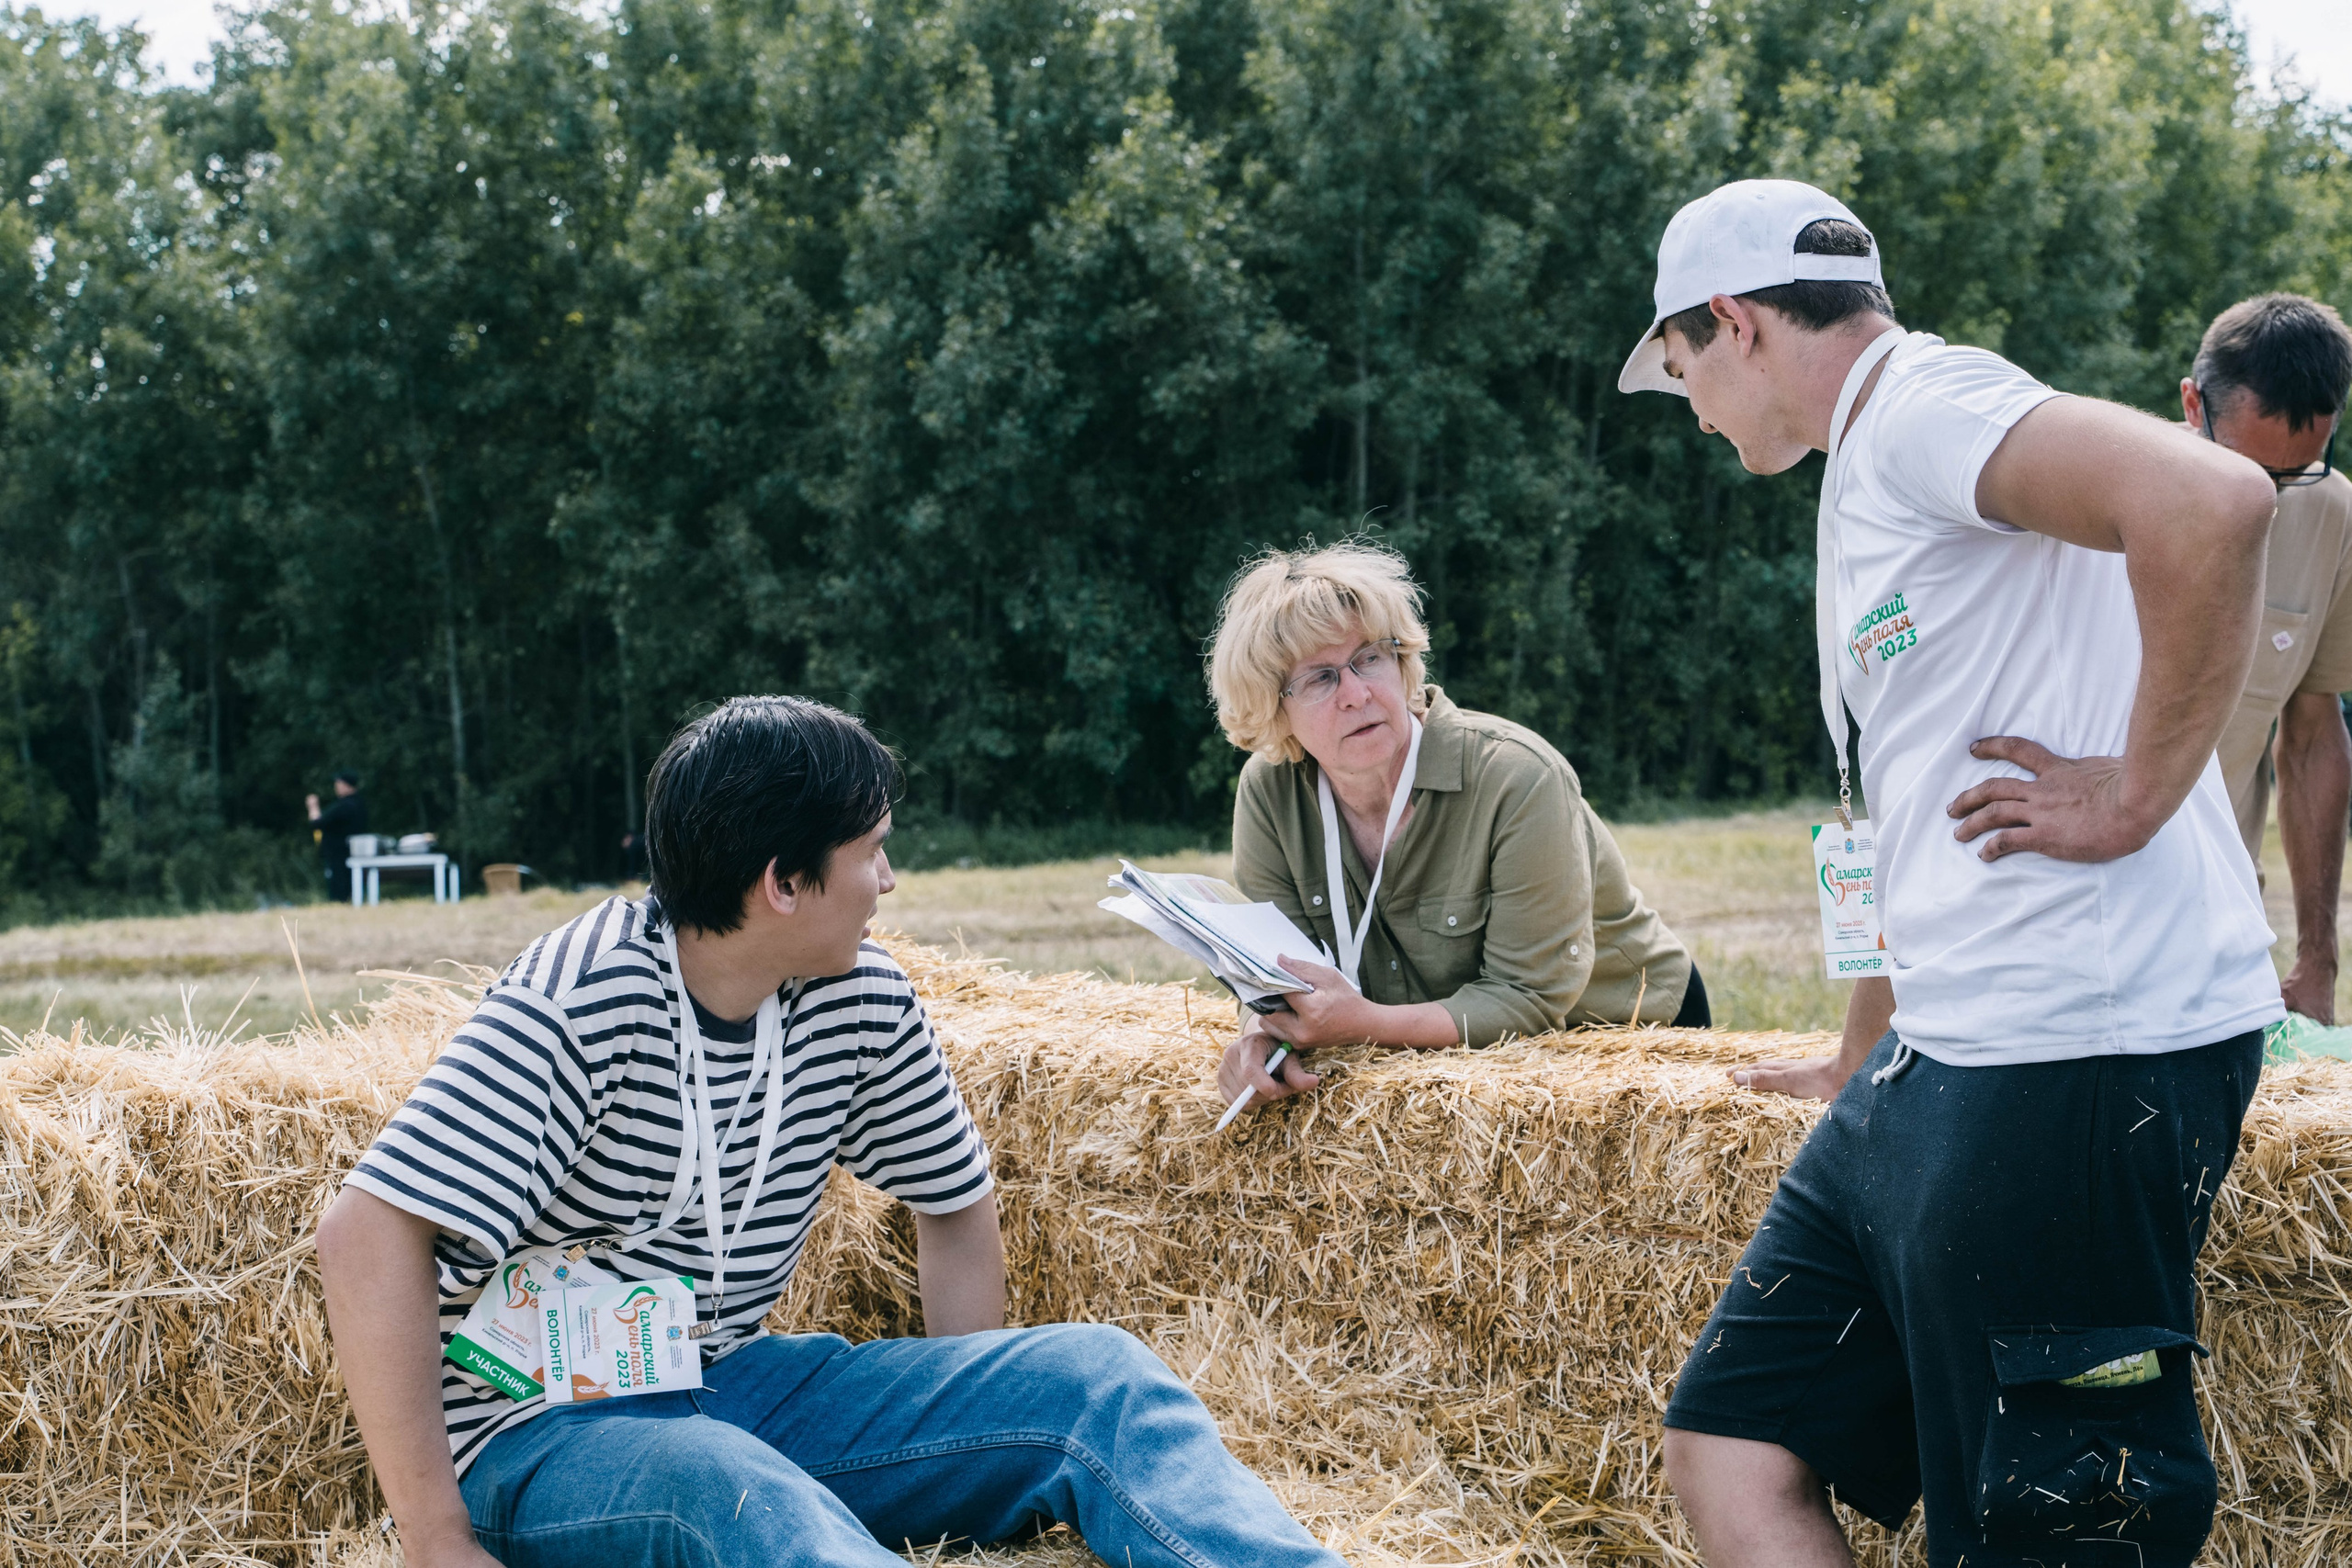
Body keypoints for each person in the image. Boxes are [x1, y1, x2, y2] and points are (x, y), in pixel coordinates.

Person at [1618, 179, 2283, 1566]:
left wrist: (2138, 792)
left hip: (2077, 1050)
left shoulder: (1925, 407)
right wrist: (1862, 1053)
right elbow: (1896, 808)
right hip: (1948, 1055)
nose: (1686, 406)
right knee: (1735, 1431)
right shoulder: (1865, 466)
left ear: (1733, 323)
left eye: (1680, 368)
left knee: (2043, 1524)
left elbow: (2212, 500)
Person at [315, 695, 1345, 1568]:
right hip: (539, 1430)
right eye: (872, 851)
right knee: (730, 1488)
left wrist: (967, 1424)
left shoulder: (861, 998)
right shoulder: (582, 998)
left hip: (735, 1382)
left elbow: (953, 1199)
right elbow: (364, 1236)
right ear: (784, 883)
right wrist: (437, 1537)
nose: (889, 881)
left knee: (1099, 1377)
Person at [1209, 541, 1702, 1121]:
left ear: (1403, 662)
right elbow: (1278, 974)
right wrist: (1261, 1035)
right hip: (1438, 1063)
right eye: (1320, 678)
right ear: (1272, 706)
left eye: (1370, 657)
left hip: (1621, 1042)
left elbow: (1529, 998)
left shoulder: (1517, 777)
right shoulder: (1269, 794)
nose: (1358, 693)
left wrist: (1363, 1025)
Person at [2183, 294, 2352, 1023]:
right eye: (2250, 470)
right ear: (2194, 406)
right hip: (2066, 907)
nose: (2269, 499)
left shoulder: (2333, 513)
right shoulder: (2091, 501)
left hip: (2218, 926)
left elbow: (2314, 736)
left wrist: (2319, 956)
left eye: (2296, 473)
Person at [307, 770, 368, 903]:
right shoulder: (359, 803)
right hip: (352, 852)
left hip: (338, 854)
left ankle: (340, 904)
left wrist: (313, 806)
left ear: (346, 785)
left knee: (339, 890)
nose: (336, 786)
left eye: (338, 783)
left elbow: (316, 823)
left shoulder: (344, 806)